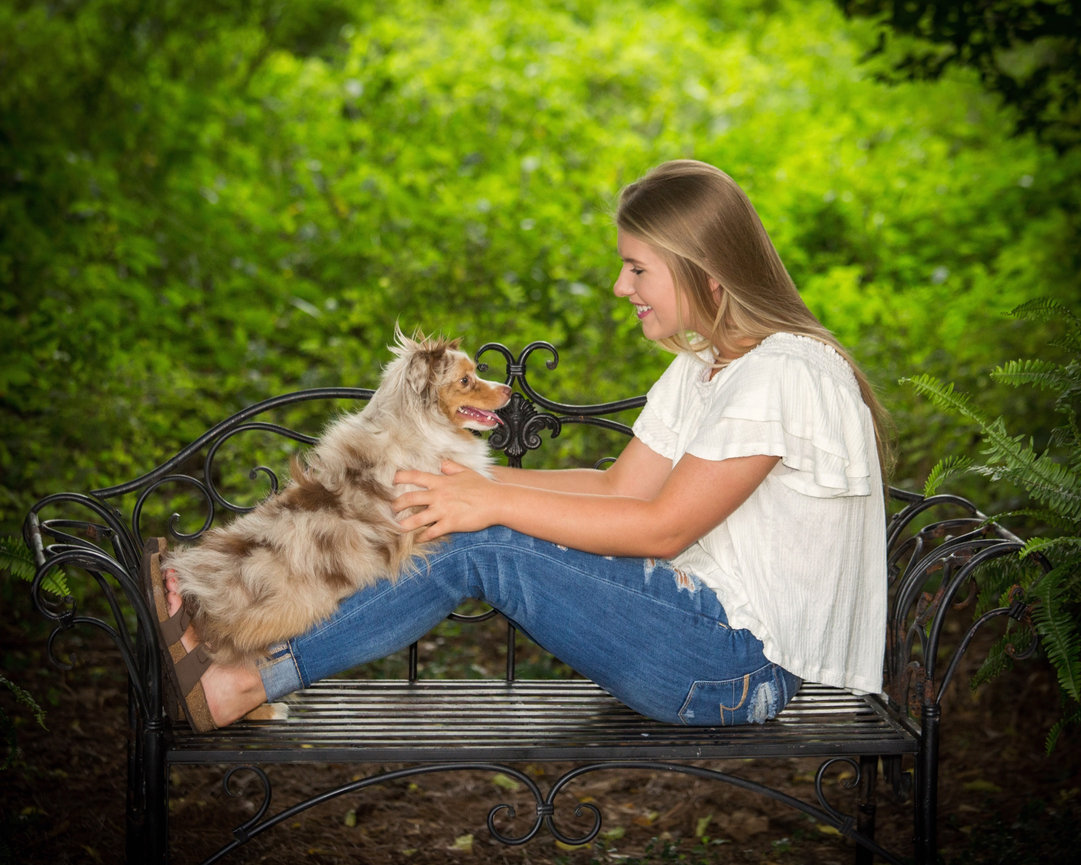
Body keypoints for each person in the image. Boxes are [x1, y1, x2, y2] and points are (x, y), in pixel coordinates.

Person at [152, 159, 891, 731]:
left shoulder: (785, 374)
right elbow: (618, 489)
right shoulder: (706, 367)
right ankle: (233, 617)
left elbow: (665, 526)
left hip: (733, 667)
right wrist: (455, 489)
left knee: (476, 539)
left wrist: (486, 501)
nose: (617, 285)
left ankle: (243, 679)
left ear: (707, 273)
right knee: (451, 513)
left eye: (637, 267)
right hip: (692, 632)